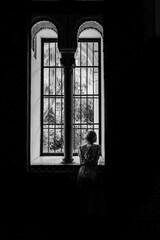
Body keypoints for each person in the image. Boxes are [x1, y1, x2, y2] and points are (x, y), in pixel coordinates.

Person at [76, 130, 102, 215]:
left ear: (86, 137)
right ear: (95, 138)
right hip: (93, 173)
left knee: (81, 196)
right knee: (92, 197)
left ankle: (82, 214)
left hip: (82, 171)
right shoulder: (98, 147)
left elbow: (81, 162)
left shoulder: (80, 147)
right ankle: (91, 215)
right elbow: (97, 160)